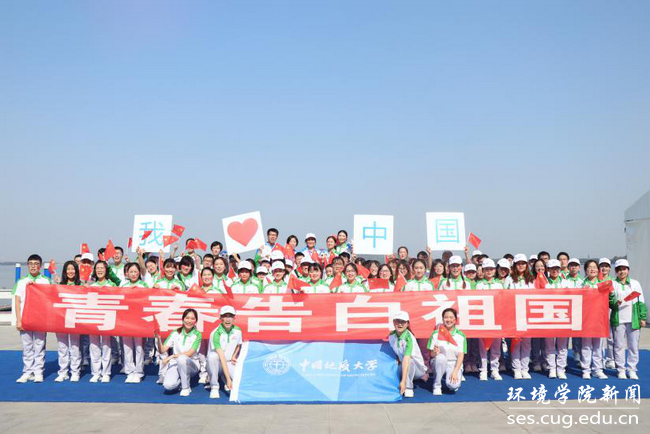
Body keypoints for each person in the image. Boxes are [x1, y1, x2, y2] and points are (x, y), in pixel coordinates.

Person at [14, 254, 51, 383]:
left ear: (40, 266)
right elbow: (17, 301)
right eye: (30, 264)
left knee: (39, 346)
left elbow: (50, 299)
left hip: (40, 319)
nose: (33, 266)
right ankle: (27, 372)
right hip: (26, 318)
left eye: (36, 264)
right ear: (28, 265)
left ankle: (38, 372)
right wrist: (18, 320)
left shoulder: (46, 281)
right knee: (27, 347)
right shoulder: (21, 281)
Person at [610, 259, 646, 380]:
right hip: (618, 319)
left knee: (633, 346)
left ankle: (632, 369)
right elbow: (609, 301)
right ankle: (620, 369)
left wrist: (642, 317)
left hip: (633, 319)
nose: (622, 272)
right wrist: (615, 303)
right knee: (619, 345)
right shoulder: (612, 283)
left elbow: (641, 301)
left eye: (624, 269)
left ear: (628, 270)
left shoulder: (635, 283)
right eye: (619, 269)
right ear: (616, 271)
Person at [155, 308, 202, 396]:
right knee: (168, 386)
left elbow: (189, 353)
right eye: (187, 318)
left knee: (182, 358)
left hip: (191, 365)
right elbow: (162, 350)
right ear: (183, 319)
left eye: (192, 318)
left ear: (196, 321)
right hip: (175, 364)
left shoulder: (197, 335)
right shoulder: (175, 332)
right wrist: (159, 338)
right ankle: (181, 381)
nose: (189, 321)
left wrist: (171, 356)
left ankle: (186, 387)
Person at [475, 259, 504, 380]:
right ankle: (483, 369)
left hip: (496, 318)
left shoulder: (499, 284)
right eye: (486, 269)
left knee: (496, 345)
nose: (489, 271)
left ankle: (494, 369)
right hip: (483, 318)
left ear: (494, 270)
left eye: (491, 269)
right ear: (483, 270)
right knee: (482, 346)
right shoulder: (479, 285)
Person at [119, 263, 148, 383]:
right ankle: (129, 371)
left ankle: (139, 372)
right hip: (126, 319)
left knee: (139, 347)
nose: (133, 274)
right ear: (127, 273)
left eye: (136, 271)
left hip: (139, 320)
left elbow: (147, 300)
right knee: (127, 347)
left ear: (139, 273)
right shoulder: (123, 285)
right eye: (131, 271)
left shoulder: (143, 285)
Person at [88, 260, 116, 382]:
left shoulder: (112, 285)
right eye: (97, 268)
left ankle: (106, 372)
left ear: (106, 270)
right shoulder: (92, 286)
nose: (99, 270)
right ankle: (96, 372)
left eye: (102, 268)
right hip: (94, 318)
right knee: (94, 345)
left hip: (107, 318)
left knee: (106, 345)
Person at [388, 311, 427, 398]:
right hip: (403, 366)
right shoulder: (391, 336)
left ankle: (408, 387)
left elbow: (406, 359)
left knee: (410, 361)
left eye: (403, 322)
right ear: (393, 322)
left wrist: (403, 381)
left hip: (417, 369)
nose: (400, 324)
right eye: (397, 321)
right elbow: (396, 351)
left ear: (407, 324)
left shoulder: (409, 338)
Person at [206, 306, 242, 398]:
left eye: (230, 316)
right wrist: (228, 379)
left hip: (229, 362)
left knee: (240, 381)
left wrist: (234, 356)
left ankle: (224, 378)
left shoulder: (237, 330)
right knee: (212, 356)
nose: (228, 319)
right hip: (217, 364)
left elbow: (238, 345)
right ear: (221, 318)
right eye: (225, 316)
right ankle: (214, 387)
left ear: (234, 318)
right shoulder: (215, 333)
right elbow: (222, 358)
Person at [427, 308, 465, 395]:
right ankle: (437, 386)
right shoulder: (435, 334)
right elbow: (431, 355)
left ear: (455, 320)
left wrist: (455, 371)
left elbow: (461, 355)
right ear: (442, 319)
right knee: (440, 358)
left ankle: (454, 377)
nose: (448, 320)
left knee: (453, 386)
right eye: (446, 317)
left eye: (451, 317)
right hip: (439, 361)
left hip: (453, 363)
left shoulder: (461, 335)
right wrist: (434, 352)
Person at [580, 259, 608, 379]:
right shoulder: (581, 284)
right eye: (590, 267)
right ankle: (586, 370)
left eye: (595, 267)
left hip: (599, 319)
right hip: (586, 319)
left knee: (598, 346)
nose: (593, 269)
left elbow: (610, 299)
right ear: (585, 270)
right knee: (586, 346)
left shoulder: (603, 284)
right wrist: (582, 291)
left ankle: (598, 369)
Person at [509, 254, 534, 379]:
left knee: (527, 344)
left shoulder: (531, 279)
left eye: (523, 263)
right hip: (514, 316)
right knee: (516, 343)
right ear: (514, 265)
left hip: (528, 316)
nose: (521, 265)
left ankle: (525, 368)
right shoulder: (510, 280)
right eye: (518, 263)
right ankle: (516, 369)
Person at [544, 259, 569, 379]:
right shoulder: (544, 283)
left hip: (563, 317)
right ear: (548, 270)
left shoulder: (566, 283)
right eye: (552, 268)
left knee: (562, 346)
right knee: (549, 345)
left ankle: (561, 369)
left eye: (557, 268)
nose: (555, 271)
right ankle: (552, 368)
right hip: (548, 317)